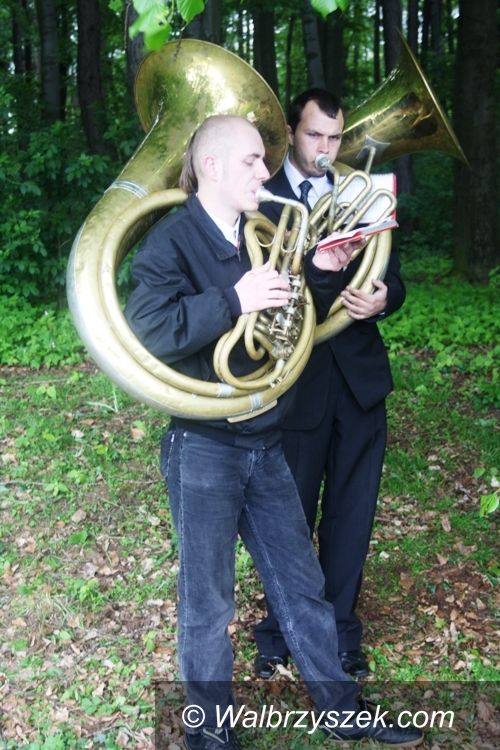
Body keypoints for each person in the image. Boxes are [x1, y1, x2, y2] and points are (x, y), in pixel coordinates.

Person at [125, 115, 421, 750]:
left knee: (303, 587)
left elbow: (292, 317)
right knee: (208, 605)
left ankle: (342, 710)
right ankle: (210, 736)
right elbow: (148, 330)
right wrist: (233, 300)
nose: (267, 172)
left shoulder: (262, 232)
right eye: (253, 161)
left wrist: (322, 271)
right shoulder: (169, 242)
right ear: (211, 167)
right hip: (203, 445)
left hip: (264, 438)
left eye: (265, 160)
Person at [253, 89, 406, 680]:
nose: (325, 147)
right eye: (314, 134)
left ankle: (341, 635)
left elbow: (395, 276)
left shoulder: (361, 191)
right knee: (288, 518)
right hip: (298, 380)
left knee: (352, 514)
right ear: (292, 132)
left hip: (360, 380)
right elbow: (268, 293)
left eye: (335, 137)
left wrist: (383, 297)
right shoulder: (261, 195)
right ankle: (278, 633)